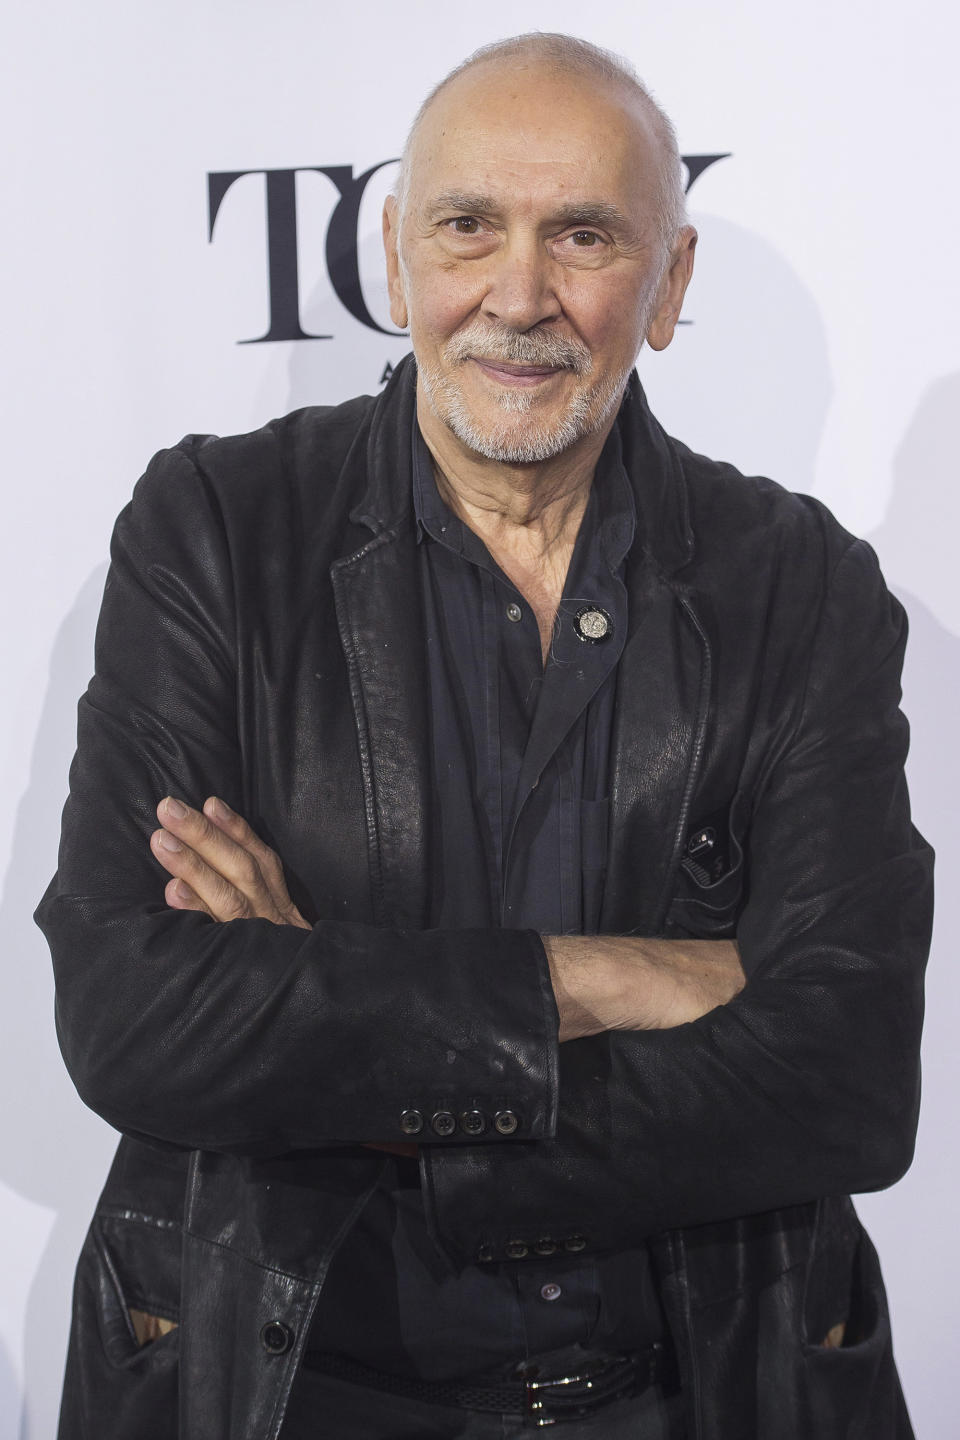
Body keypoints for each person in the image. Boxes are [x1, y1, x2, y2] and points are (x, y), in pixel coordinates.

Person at [36, 31, 933, 1440]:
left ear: (668, 284)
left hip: (701, 1390)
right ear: (396, 258)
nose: (520, 297)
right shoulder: (215, 531)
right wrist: (621, 981)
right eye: (469, 228)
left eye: (583, 235)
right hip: (292, 1390)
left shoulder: (798, 583)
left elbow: (853, 1075)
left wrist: (339, 1018)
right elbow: (136, 1018)